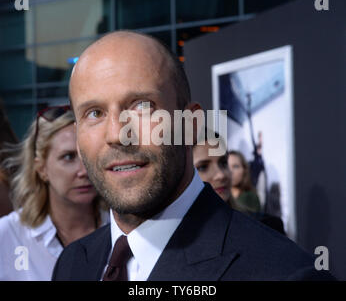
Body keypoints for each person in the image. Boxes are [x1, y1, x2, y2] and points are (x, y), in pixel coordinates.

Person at [52, 31, 334, 281]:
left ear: (190, 124)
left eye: (142, 106)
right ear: (77, 138)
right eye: (94, 113)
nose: (117, 133)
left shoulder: (287, 274)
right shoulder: (72, 263)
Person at [0, 106, 109, 280]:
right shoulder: (9, 234)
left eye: (88, 155)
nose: (83, 171)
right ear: (41, 168)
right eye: (68, 157)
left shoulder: (122, 230)